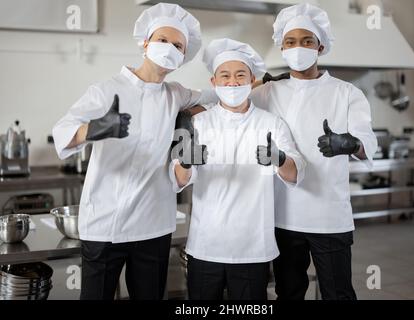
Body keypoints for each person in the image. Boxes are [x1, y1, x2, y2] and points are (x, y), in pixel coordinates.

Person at [52, 3, 216, 300]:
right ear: (145, 43)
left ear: (182, 57)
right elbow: (63, 130)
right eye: (162, 40)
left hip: (153, 224)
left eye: (177, 45)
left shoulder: (175, 93)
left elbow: (221, 95)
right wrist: (95, 128)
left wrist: (262, 84)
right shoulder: (105, 91)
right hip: (105, 223)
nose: (169, 48)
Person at [251, 3, 378, 300]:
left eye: (307, 41)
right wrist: (259, 81)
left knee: (338, 293)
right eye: (291, 42)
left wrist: (350, 143)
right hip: (282, 215)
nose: (299, 48)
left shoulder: (346, 93)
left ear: (320, 46)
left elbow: (367, 143)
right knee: (288, 292)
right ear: (282, 48)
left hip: (328, 216)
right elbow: (223, 100)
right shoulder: (267, 92)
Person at [170, 38, 306, 300]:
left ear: (251, 79)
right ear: (214, 82)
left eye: (240, 75)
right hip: (205, 244)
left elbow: (297, 173)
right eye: (225, 76)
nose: (232, 82)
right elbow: (176, 180)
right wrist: (186, 162)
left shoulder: (272, 124)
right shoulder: (197, 123)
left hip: (252, 246)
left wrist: (279, 160)